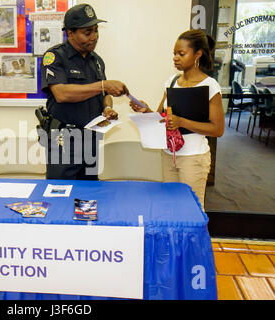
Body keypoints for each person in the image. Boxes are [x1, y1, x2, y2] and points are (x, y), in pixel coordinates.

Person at [130, 29, 225, 210]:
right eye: (174, 53)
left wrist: (182, 122)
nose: (175, 58)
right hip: (169, 156)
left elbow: (217, 130)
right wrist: (145, 110)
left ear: (198, 54)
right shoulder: (171, 82)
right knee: (170, 208)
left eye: (181, 53)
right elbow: (160, 119)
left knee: (191, 211)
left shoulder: (210, 86)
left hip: (194, 158)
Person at [40, 3, 128, 180]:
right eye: (87, 32)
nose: (94, 37)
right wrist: (103, 85)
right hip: (64, 140)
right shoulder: (55, 57)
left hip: (90, 139)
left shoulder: (96, 61)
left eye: (96, 31)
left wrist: (107, 108)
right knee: (60, 193)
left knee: (89, 194)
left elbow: (105, 94)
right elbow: (62, 93)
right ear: (70, 33)